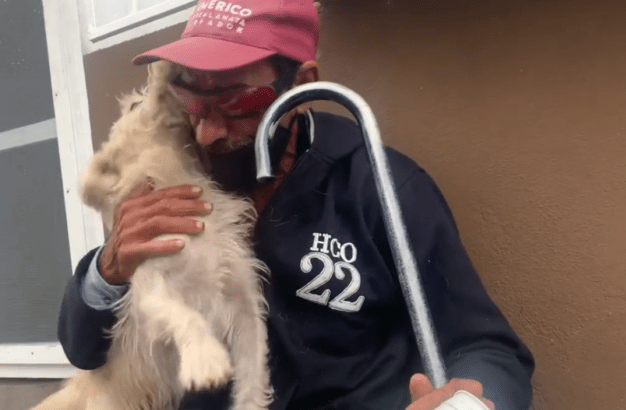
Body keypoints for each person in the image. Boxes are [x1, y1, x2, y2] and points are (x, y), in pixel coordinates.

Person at [57, 1, 535, 409]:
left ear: (301, 86)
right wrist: (106, 272)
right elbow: (85, 350)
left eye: (234, 103)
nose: (206, 131)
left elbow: (487, 348)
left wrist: (467, 402)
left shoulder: (381, 187)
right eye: (192, 100)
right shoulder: (169, 176)